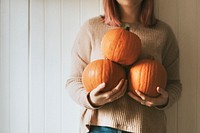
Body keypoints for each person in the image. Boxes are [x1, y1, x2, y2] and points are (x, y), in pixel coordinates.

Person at [66, 0, 182, 132]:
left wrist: (163, 100)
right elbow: (73, 81)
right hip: (101, 127)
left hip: (146, 127)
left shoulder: (163, 33)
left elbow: (174, 84)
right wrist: (91, 100)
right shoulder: (91, 28)